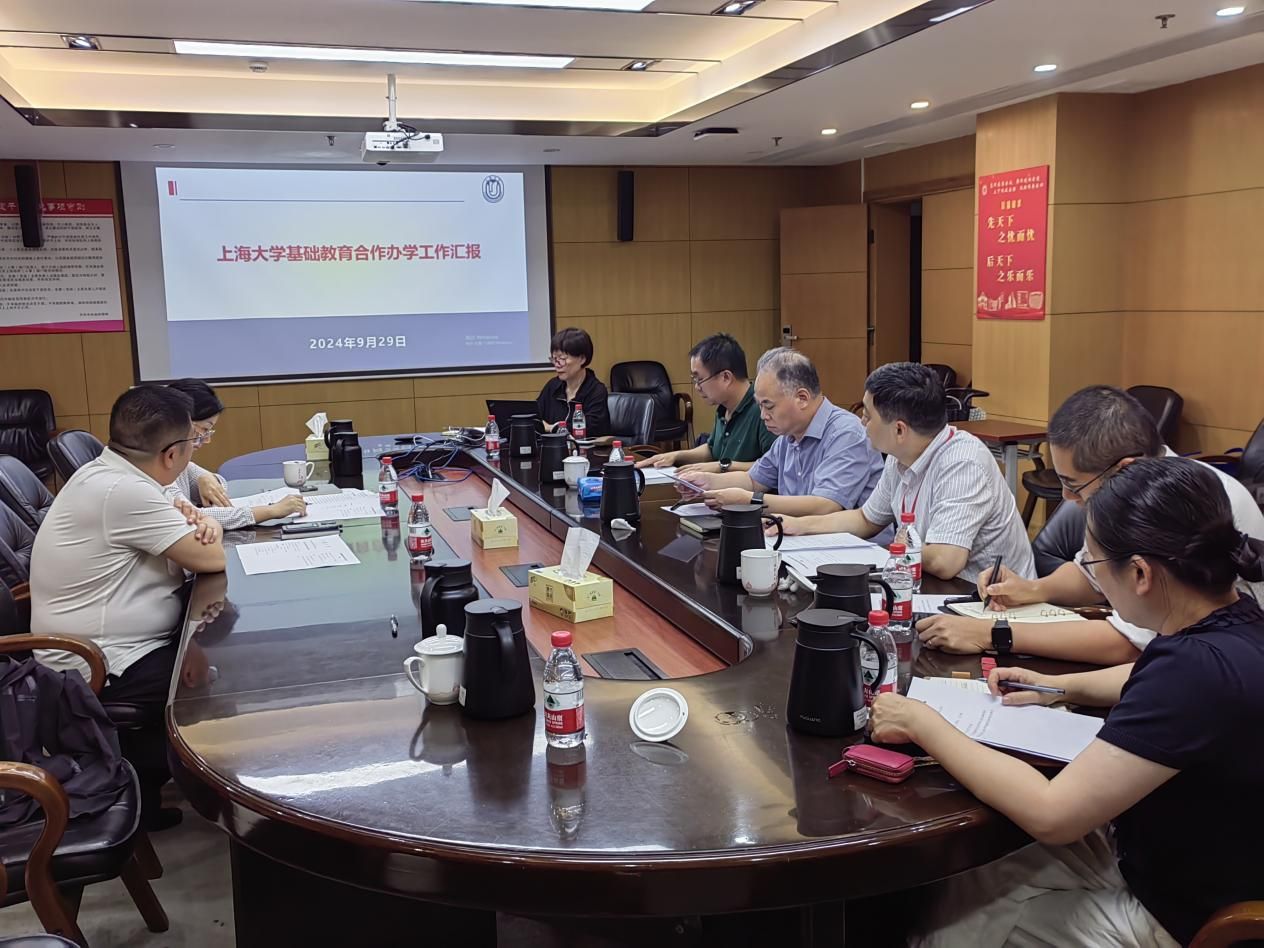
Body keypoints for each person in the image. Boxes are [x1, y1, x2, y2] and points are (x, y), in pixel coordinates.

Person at [871, 458, 1264, 947]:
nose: (1092, 580)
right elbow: (1147, 678)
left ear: (1140, 573)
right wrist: (1060, 686)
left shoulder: (1193, 670)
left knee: (962, 920)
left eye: (1093, 565)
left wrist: (922, 722)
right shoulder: (1236, 619)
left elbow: (1051, 813)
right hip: (1180, 855)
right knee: (977, 871)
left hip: (1184, 913)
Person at [917, 385, 1264, 662]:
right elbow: (1092, 572)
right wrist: (1032, 589)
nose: (1067, 497)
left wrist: (989, 634)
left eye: (1073, 484)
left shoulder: (1186, 501)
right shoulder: (1134, 491)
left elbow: (1130, 644)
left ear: (1124, 469)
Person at [31, 384, 227, 830]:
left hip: (112, 648)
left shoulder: (110, 473)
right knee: (231, 677)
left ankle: (146, 786)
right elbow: (211, 558)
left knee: (213, 650)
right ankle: (170, 783)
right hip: (96, 665)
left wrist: (198, 522)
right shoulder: (124, 491)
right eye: (194, 441)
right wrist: (210, 524)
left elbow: (191, 537)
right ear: (173, 454)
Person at [776, 363, 1034, 583]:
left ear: (899, 430)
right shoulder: (900, 455)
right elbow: (866, 519)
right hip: (928, 586)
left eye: (867, 415)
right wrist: (799, 525)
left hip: (989, 603)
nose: (862, 423)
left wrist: (890, 547)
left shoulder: (963, 463)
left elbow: (945, 560)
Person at [680, 348, 884, 517]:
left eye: (768, 406)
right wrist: (706, 481)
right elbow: (754, 480)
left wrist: (750, 500)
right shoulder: (788, 436)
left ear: (802, 398)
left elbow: (826, 505)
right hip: (798, 537)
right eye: (760, 406)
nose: (763, 415)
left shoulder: (846, 434)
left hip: (849, 548)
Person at [166, 378, 307, 528]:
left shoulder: (178, 459)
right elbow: (191, 517)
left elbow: (219, 487)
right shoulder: (160, 467)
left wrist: (205, 478)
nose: (206, 440)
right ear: (181, 422)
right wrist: (271, 511)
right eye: (204, 430)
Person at [636, 334, 774, 473]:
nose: (697, 387)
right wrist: (675, 456)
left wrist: (722, 466)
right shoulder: (724, 408)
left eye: (699, 379)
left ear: (726, 377)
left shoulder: (763, 410)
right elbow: (712, 449)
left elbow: (774, 467)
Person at [535, 327, 610, 437]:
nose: (557, 365)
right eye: (554, 359)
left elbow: (589, 428)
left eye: (562, 359)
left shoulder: (596, 390)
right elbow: (536, 416)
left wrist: (552, 428)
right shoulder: (553, 386)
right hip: (553, 446)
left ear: (582, 359)